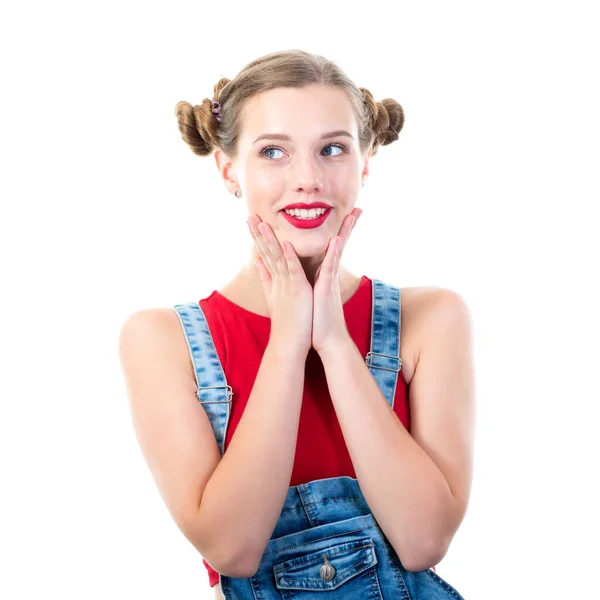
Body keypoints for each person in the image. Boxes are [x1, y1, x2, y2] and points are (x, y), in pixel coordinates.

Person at [118, 49, 474, 600]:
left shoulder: (430, 320)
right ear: (228, 167)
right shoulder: (162, 340)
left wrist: (332, 340)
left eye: (332, 149)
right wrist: (287, 343)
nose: (307, 180)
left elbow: (423, 540)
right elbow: (233, 548)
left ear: (365, 162)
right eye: (273, 152)